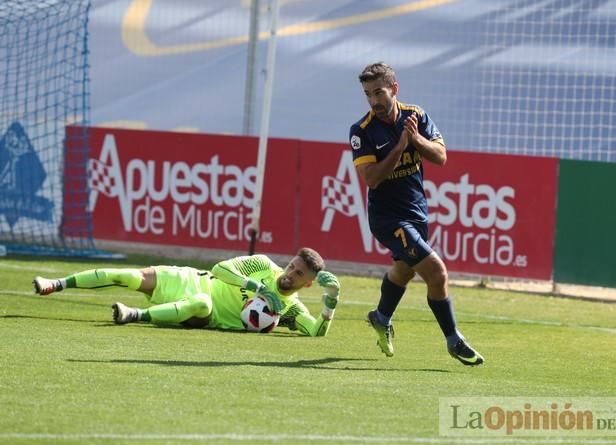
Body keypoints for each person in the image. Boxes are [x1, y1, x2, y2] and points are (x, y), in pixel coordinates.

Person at [349, 62, 483, 365]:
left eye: (379, 92)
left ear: (394, 89)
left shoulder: (416, 116)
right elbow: (371, 178)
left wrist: (415, 139)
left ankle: (381, 317)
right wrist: (399, 148)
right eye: (368, 95)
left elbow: (441, 157)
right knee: (437, 273)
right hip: (387, 218)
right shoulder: (362, 131)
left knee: (404, 270)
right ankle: (453, 340)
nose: (374, 101)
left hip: (417, 213)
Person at [32, 248, 340, 337]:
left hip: (205, 314)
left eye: (298, 274)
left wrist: (331, 302)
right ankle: (55, 284)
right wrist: (257, 287)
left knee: (201, 303)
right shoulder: (261, 265)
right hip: (194, 278)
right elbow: (220, 269)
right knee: (127, 276)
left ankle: (134, 315)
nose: (290, 274)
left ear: (308, 283)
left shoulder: (291, 310)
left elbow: (316, 332)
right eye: (291, 266)